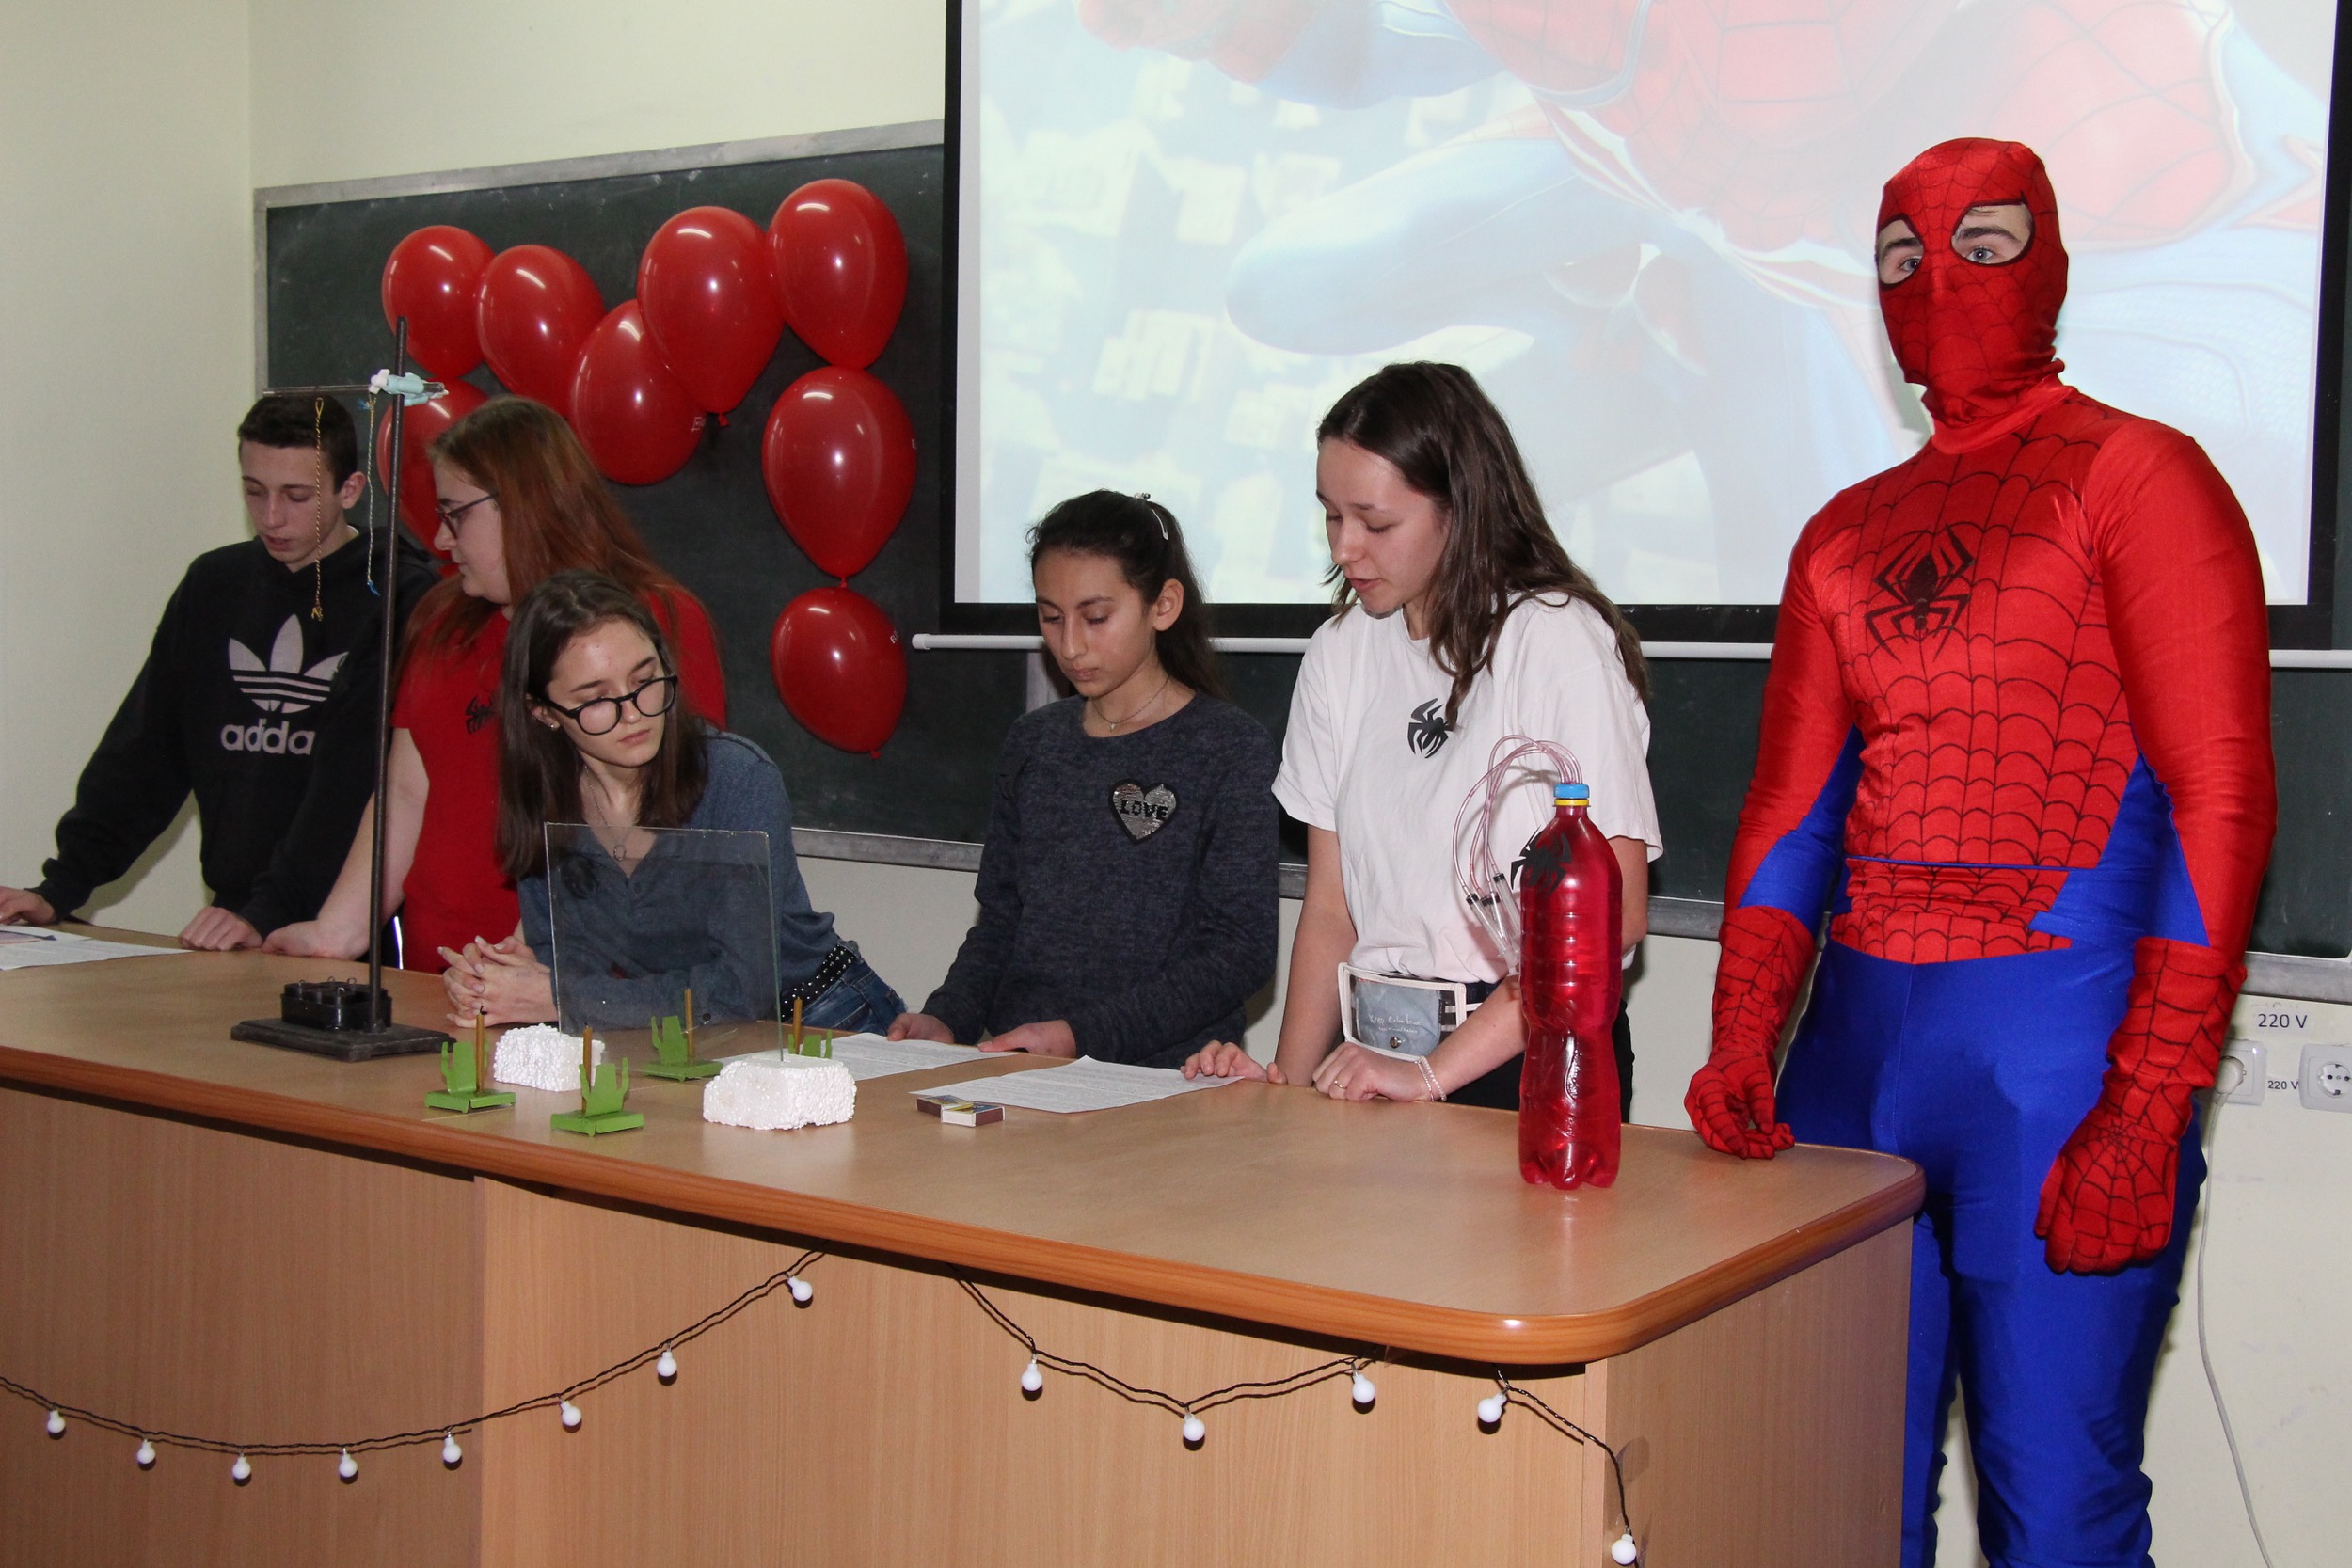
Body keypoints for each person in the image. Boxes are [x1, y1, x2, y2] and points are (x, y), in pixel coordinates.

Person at [1684, 140, 2276, 1568]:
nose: (1938, 281)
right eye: (1901, 257)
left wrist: (2148, 1099)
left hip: (2061, 1060)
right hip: (1852, 1059)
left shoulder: (2138, 475)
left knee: (2056, 1509)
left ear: (2049, 259)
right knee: (1828, 1499)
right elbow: (1790, 813)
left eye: (1983, 243)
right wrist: (1742, 1032)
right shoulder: (1840, 532)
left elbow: (2220, 796)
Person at [1185, 362, 1658, 1106]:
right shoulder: (1340, 652)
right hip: (1377, 1054)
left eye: (1375, 523)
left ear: (1460, 509)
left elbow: (1613, 915)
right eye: (1330, 516)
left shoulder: (1555, 638)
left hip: (1528, 1054)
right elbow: (1332, 909)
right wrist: (1286, 1089)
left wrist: (1432, 1074)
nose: (1344, 548)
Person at [266, 397, 726, 973]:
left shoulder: (650, 621)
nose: (441, 538)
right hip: (437, 978)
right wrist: (337, 930)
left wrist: (538, 958)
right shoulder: (441, 621)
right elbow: (405, 792)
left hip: (581, 988)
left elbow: (669, 813)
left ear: (523, 504)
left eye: (456, 514)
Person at [0, 394, 437, 948]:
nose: (271, 516)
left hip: (355, 924)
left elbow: (356, 783)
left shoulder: (400, 595)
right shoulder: (215, 585)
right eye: (254, 491)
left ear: (348, 490)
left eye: (296, 496)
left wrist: (270, 910)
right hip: (239, 912)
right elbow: (145, 753)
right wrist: (61, 886)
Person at [887, 491, 1279, 1069]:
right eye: (1051, 617)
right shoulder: (1033, 742)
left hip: (1169, 1080)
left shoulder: (1229, 748)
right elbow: (1001, 923)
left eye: (1096, 618)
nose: (1070, 644)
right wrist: (949, 1015)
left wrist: (1084, 1035)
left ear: (1163, 605)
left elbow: (1238, 952)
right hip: (1024, 1067)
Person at [437, 571, 901, 1034]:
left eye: (645, 679)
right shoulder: (547, 796)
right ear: (544, 713)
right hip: (687, 1038)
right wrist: (497, 983)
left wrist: (561, 997)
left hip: (824, 1019)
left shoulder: (737, 778)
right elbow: (570, 968)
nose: (634, 713)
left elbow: (742, 990)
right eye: (596, 699)